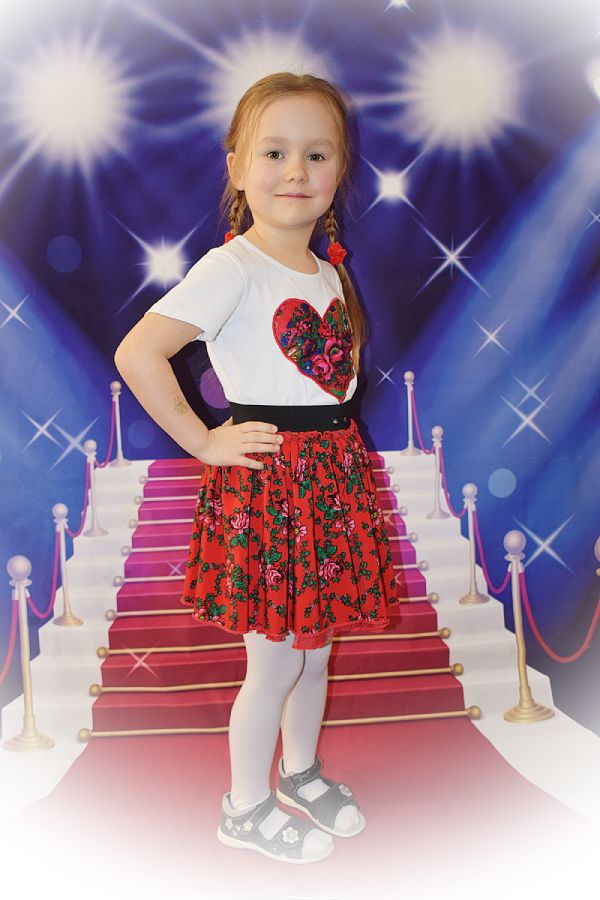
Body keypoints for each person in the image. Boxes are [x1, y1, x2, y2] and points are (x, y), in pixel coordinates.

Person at [114, 71, 404, 865]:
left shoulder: (329, 270)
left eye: (317, 154)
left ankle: (300, 771)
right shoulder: (232, 267)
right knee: (274, 660)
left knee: (315, 651)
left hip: (330, 480)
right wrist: (203, 440)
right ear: (237, 166)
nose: (295, 171)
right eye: (274, 152)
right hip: (273, 485)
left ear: (340, 170)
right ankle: (243, 806)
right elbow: (140, 353)